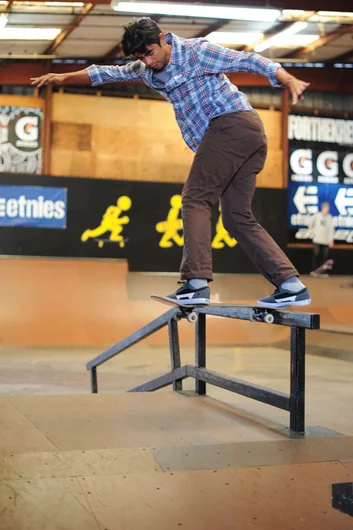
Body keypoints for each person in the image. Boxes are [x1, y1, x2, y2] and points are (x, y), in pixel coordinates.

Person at [31, 17, 312, 309]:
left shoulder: (196, 52)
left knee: (195, 199)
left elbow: (247, 60)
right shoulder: (145, 68)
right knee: (236, 217)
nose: (148, 62)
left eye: (150, 52)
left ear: (163, 39)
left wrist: (286, 77)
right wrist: (62, 78)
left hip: (231, 125)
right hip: (242, 138)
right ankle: (290, 285)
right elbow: (106, 74)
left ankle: (196, 283)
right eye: (141, 57)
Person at [309, 202, 335, 274]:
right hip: (317, 239)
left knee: (325, 257)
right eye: (325, 208)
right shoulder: (317, 216)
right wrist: (312, 233)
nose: (326, 209)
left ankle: (323, 272)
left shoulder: (329, 217)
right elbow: (310, 224)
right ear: (322, 208)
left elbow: (331, 230)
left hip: (326, 240)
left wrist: (331, 240)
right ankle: (315, 271)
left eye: (327, 208)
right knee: (316, 255)